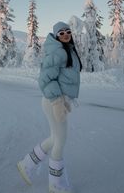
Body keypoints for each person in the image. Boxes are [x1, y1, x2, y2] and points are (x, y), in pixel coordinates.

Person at [17, 21, 82, 193]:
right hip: (53, 101)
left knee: (55, 138)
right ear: (56, 36)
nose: (66, 34)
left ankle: (27, 164)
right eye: (61, 33)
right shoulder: (59, 52)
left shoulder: (67, 50)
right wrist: (57, 102)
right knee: (60, 141)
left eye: (68, 31)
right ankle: (56, 184)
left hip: (58, 101)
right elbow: (44, 80)